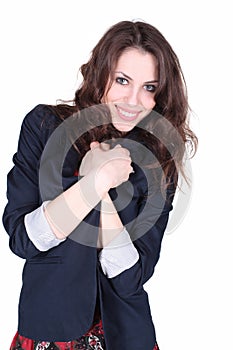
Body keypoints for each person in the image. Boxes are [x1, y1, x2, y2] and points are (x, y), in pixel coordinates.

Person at [2, 20, 197, 350]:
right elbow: (25, 240)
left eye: (149, 87)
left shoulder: (159, 158)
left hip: (125, 335)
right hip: (51, 331)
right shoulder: (44, 126)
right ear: (100, 72)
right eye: (123, 80)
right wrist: (90, 183)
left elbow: (130, 276)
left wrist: (102, 189)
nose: (134, 100)